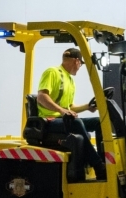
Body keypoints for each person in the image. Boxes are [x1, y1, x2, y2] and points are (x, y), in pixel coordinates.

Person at [36, 48, 106, 180]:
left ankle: (105, 161)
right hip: (49, 121)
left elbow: (70, 107)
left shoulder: (70, 81)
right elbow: (41, 97)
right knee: (76, 122)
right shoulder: (52, 72)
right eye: (81, 64)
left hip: (64, 120)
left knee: (99, 121)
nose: (80, 68)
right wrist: (62, 111)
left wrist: (87, 107)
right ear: (77, 61)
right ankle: (98, 165)